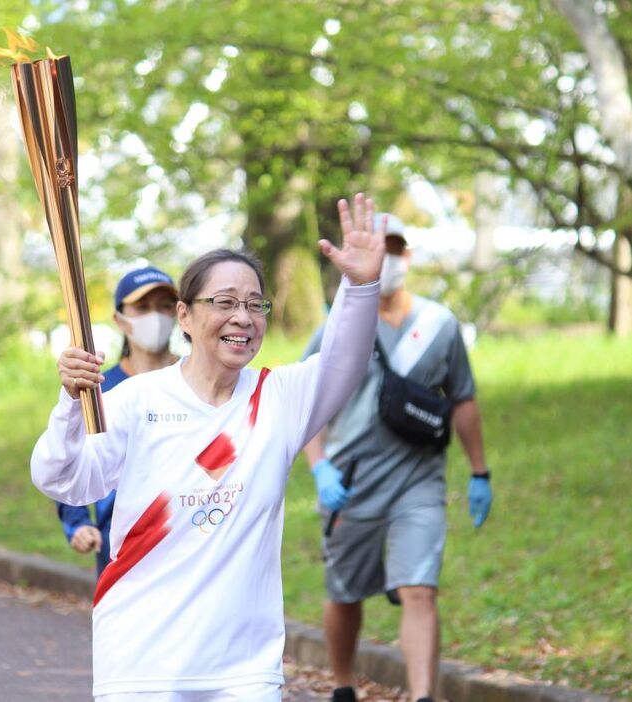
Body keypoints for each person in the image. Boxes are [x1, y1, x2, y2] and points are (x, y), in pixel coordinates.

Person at [31, 194, 385, 701]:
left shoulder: (277, 399)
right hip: (140, 658)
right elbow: (63, 479)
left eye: (253, 303)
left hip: (241, 667)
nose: (242, 316)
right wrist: (69, 405)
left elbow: (344, 363)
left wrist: (362, 285)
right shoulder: (136, 399)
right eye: (223, 302)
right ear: (186, 316)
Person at [301, 213, 492, 702]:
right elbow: (305, 406)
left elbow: (463, 398)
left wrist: (479, 471)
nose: (388, 259)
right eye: (379, 249)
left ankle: (423, 696)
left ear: (409, 257)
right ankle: (343, 685)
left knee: (420, 588)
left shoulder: (440, 325)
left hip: (419, 481)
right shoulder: (335, 328)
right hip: (352, 483)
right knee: (344, 593)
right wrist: (320, 467)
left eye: (396, 249)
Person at [57, 266, 179, 577]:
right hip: (119, 540)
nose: (156, 316)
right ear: (119, 319)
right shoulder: (98, 388)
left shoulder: (197, 382)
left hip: (187, 534)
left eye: (164, 306)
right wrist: (78, 522)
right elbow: (68, 456)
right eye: (142, 307)